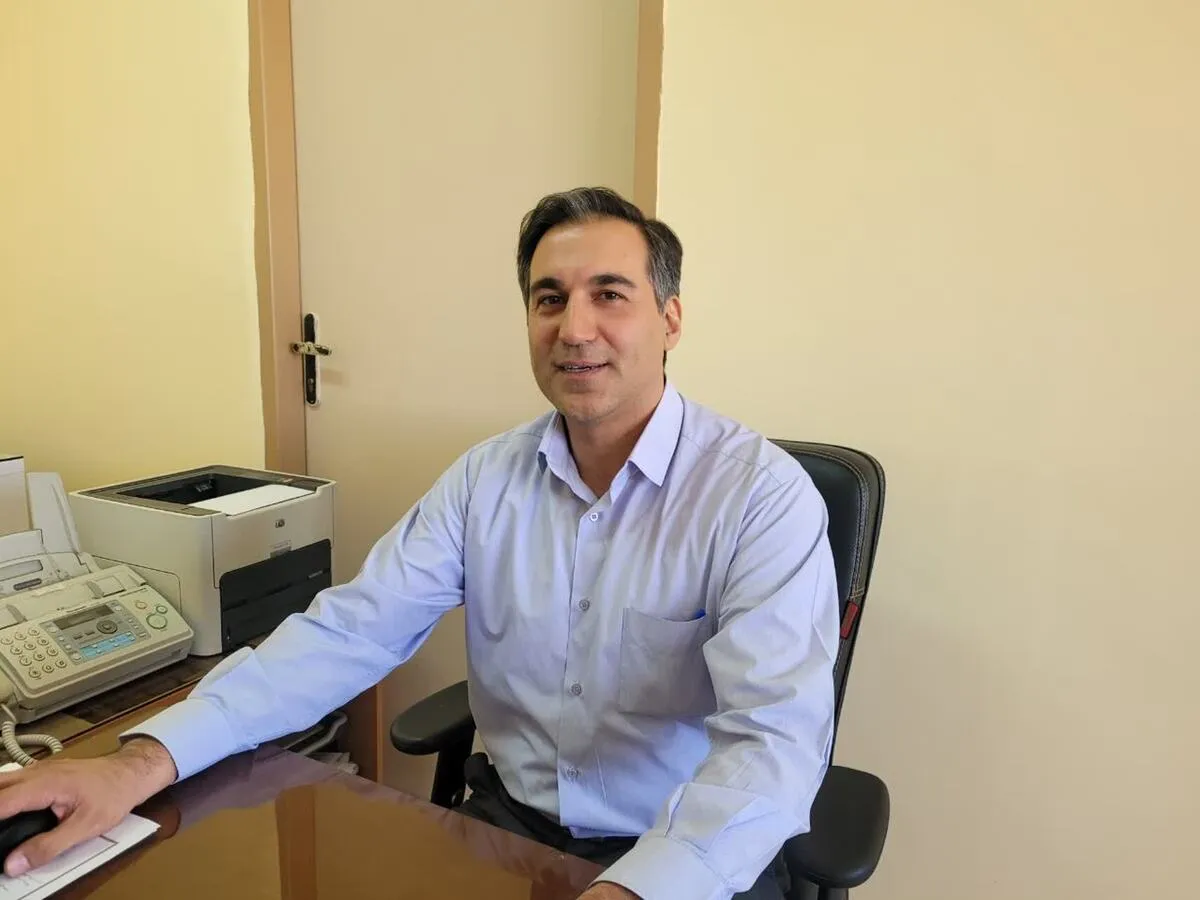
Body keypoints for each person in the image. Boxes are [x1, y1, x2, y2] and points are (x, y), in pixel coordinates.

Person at [0, 187, 839, 900]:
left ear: (671, 318)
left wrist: (635, 889)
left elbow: (772, 743)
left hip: (683, 851)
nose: (574, 328)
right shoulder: (485, 480)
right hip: (510, 832)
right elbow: (350, 632)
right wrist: (139, 762)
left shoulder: (758, 497)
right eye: (549, 299)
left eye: (610, 295)